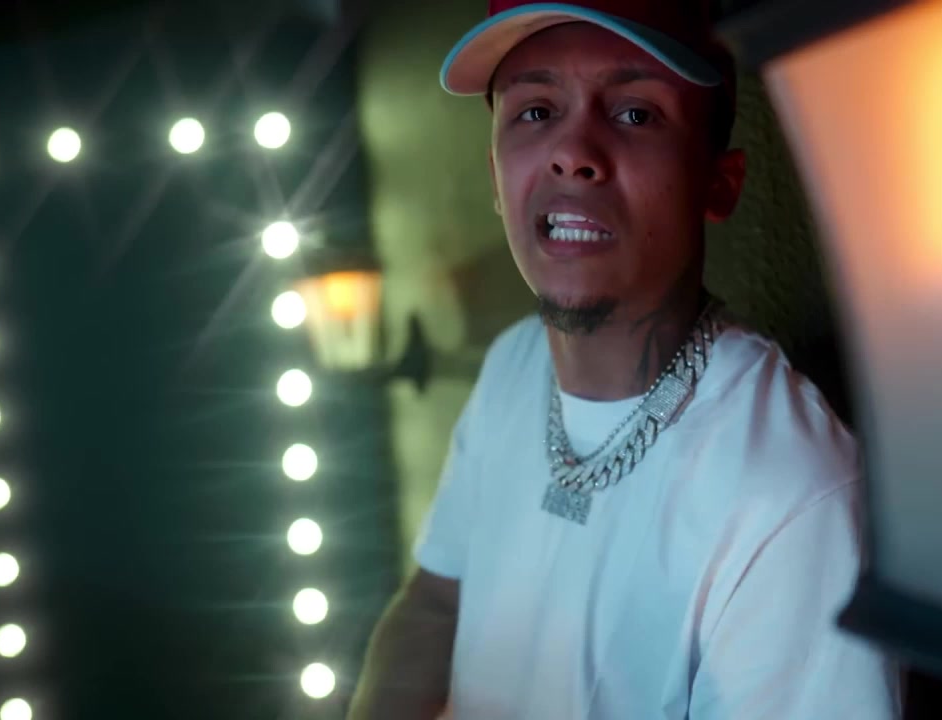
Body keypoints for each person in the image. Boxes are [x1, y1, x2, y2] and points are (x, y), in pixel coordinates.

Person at [348, 1, 901, 718]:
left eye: (636, 114)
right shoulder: (512, 366)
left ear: (720, 182)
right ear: (495, 177)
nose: (573, 152)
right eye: (536, 111)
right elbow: (433, 604)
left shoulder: (793, 495)